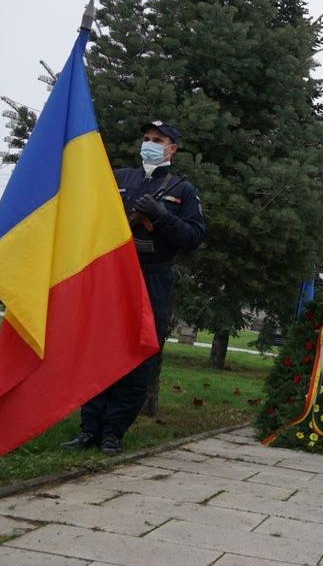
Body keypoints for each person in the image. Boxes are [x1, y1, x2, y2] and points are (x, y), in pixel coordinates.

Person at [62, 120, 205, 455]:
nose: (151, 144)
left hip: (152, 278)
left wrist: (163, 217)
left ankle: (113, 432)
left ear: (173, 148)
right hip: (112, 276)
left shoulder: (183, 189)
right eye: (147, 138)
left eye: (159, 140)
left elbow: (194, 238)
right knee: (100, 350)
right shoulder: (120, 178)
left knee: (138, 355)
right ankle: (89, 428)